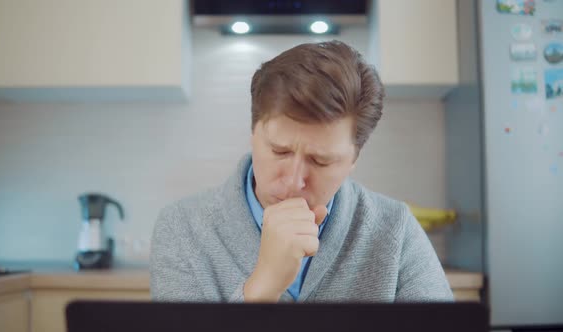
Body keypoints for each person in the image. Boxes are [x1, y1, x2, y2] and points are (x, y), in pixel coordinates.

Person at [150, 40, 453, 303]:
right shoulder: (182, 229)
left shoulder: (396, 230)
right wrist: (260, 289)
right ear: (252, 134)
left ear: (354, 159)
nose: (294, 181)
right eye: (279, 151)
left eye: (321, 161)